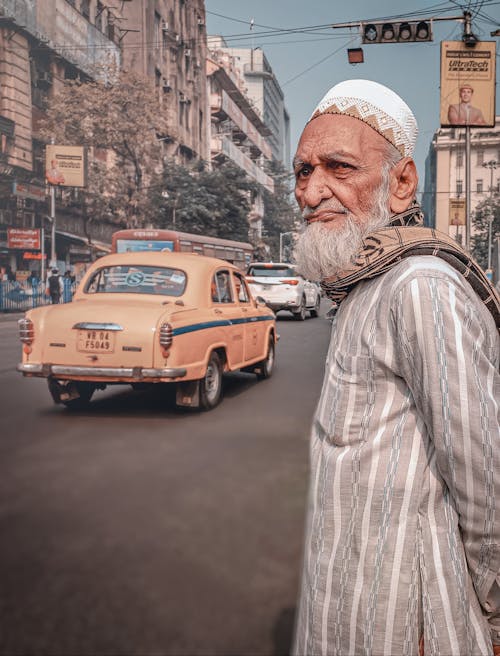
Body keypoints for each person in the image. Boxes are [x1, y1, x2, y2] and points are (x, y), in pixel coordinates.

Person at [292, 79, 500, 656]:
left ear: (402, 182)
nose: (312, 192)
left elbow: (485, 483)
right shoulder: (364, 287)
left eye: (339, 167)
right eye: (304, 172)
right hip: (345, 609)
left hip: (411, 622)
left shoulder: (421, 287)